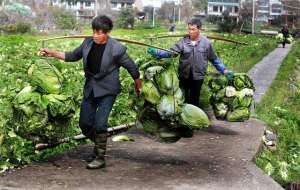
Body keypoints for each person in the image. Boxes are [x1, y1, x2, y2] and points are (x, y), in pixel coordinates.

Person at [39, 15, 141, 169]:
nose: (95, 35)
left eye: (99, 33)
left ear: (106, 33)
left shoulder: (116, 49)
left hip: (108, 90)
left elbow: (132, 67)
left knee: (100, 123)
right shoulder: (87, 43)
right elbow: (72, 56)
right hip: (91, 88)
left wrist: (138, 84)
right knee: (85, 124)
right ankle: (99, 144)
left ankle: (100, 157)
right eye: (94, 31)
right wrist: (52, 53)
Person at [148, 18, 233, 107]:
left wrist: (224, 70)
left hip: (198, 76)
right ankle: (181, 116)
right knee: (181, 98)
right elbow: (171, 53)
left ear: (199, 29)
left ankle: (193, 116)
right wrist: (157, 52)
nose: (190, 32)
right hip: (184, 75)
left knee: (194, 99)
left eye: (193, 29)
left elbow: (214, 59)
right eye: (189, 29)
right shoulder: (183, 42)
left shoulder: (206, 43)